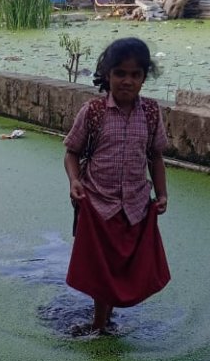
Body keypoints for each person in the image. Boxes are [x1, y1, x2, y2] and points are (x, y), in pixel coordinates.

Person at [64, 37, 170, 335]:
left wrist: (161, 193)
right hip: (98, 203)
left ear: (144, 78)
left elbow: (156, 156)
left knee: (124, 265)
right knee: (102, 267)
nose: (127, 81)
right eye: (120, 74)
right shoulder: (94, 112)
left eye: (135, 74)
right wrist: (74, 181)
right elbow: (72, 152)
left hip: (135, 204)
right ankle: (100, 323)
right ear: (107, 75)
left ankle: (106, 317)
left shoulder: (150, 113)